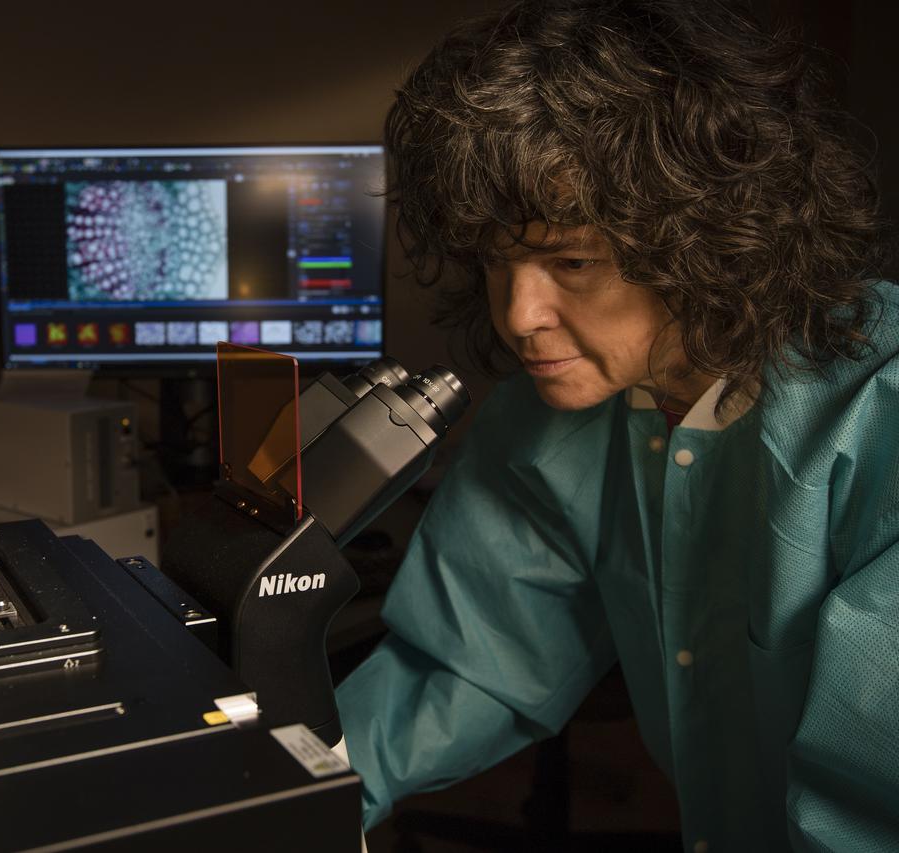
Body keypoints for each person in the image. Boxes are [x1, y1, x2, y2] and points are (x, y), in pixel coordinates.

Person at [333, 0, 896, 849]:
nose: (521, 314)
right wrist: (272, 796)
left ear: (707, 237)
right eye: (497, 259)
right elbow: (461, 670)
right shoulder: (551, 418)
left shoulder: (878, 420)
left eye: (573, 261)